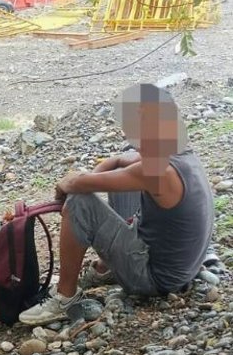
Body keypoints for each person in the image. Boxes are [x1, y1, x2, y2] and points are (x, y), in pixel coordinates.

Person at [20, 83, 215, 325]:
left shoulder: (158, 170)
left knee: (80, 203)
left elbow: (78, 186)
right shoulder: (177, 151)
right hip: (181, 267)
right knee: (115, 177)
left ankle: (64, 297)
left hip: (156, 279)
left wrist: (71, 186)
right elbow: (118, 161)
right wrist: (87, 178)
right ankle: (106, 267)